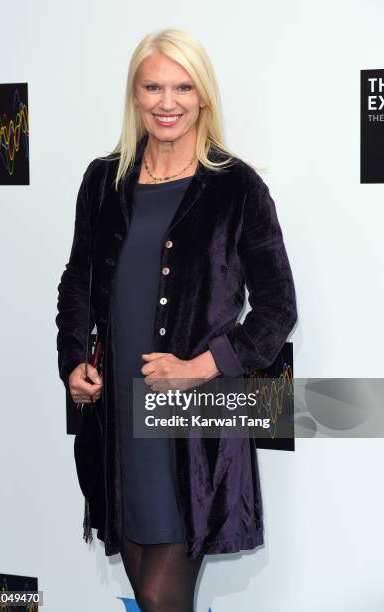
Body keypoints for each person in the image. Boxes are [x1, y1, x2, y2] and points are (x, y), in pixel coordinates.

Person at [56, 28, 297, 612]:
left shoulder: (236, 187)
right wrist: (72, 362)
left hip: (191, 423)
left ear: (203, 96)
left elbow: (277, 307)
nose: (168, 102)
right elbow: (76, 284)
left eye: (182, 87)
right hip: (116, 415)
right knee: (144, 582)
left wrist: (199, 367)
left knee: (163, 595)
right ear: (135, 97)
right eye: (153, 87)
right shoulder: (102, 181)